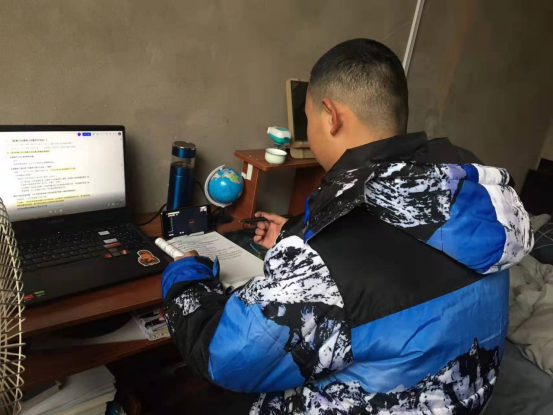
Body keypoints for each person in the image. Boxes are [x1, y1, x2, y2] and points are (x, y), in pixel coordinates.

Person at [161, 39, 533, 414]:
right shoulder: (476, 206)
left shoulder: (330, 259)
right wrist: (298, 234)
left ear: (331, 116)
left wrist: (185, 274)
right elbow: (399, 248)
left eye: (309, 119)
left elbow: (224, 357)